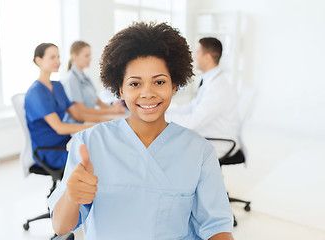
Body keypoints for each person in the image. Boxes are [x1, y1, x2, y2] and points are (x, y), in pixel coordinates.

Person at [48, 23, 234, 240]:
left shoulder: (200, 152)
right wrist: (72, 196)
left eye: (159, 82)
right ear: (120, 89)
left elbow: (217, 228)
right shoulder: (89, 143)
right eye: (135, 84)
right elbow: (61, 227)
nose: (147, 93)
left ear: (174, 85)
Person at [25, 43, 103, 169]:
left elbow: (77, 114)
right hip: (50, 152)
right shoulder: (36, 92)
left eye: (58, 57)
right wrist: (94, 127)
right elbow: (59, 128)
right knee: (97, 161)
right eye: (52, 57)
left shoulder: (57, 86)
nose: (58, 61)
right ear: (39, 61)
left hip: (65, 143)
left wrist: (104, 122)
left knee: (101, 152)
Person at [166, 37, 241, 159]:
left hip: (219, 142)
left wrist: (163, 118)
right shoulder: (211, 80)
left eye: (198, 53)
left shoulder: (217, 87)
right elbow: (193, 107)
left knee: (169, 149)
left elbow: (193, 121)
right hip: (208, 135)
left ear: (207, 58)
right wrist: (167, 112)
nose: (195, 57)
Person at [62, 40, 126, 123]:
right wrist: (111, 111)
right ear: (74, 56)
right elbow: (81, 110)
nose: (90, 58)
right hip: (78, 124)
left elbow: (97, 101)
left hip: (89, 120)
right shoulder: (71, 79)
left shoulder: (85, 77)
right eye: (86, 56)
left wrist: (113, 108)